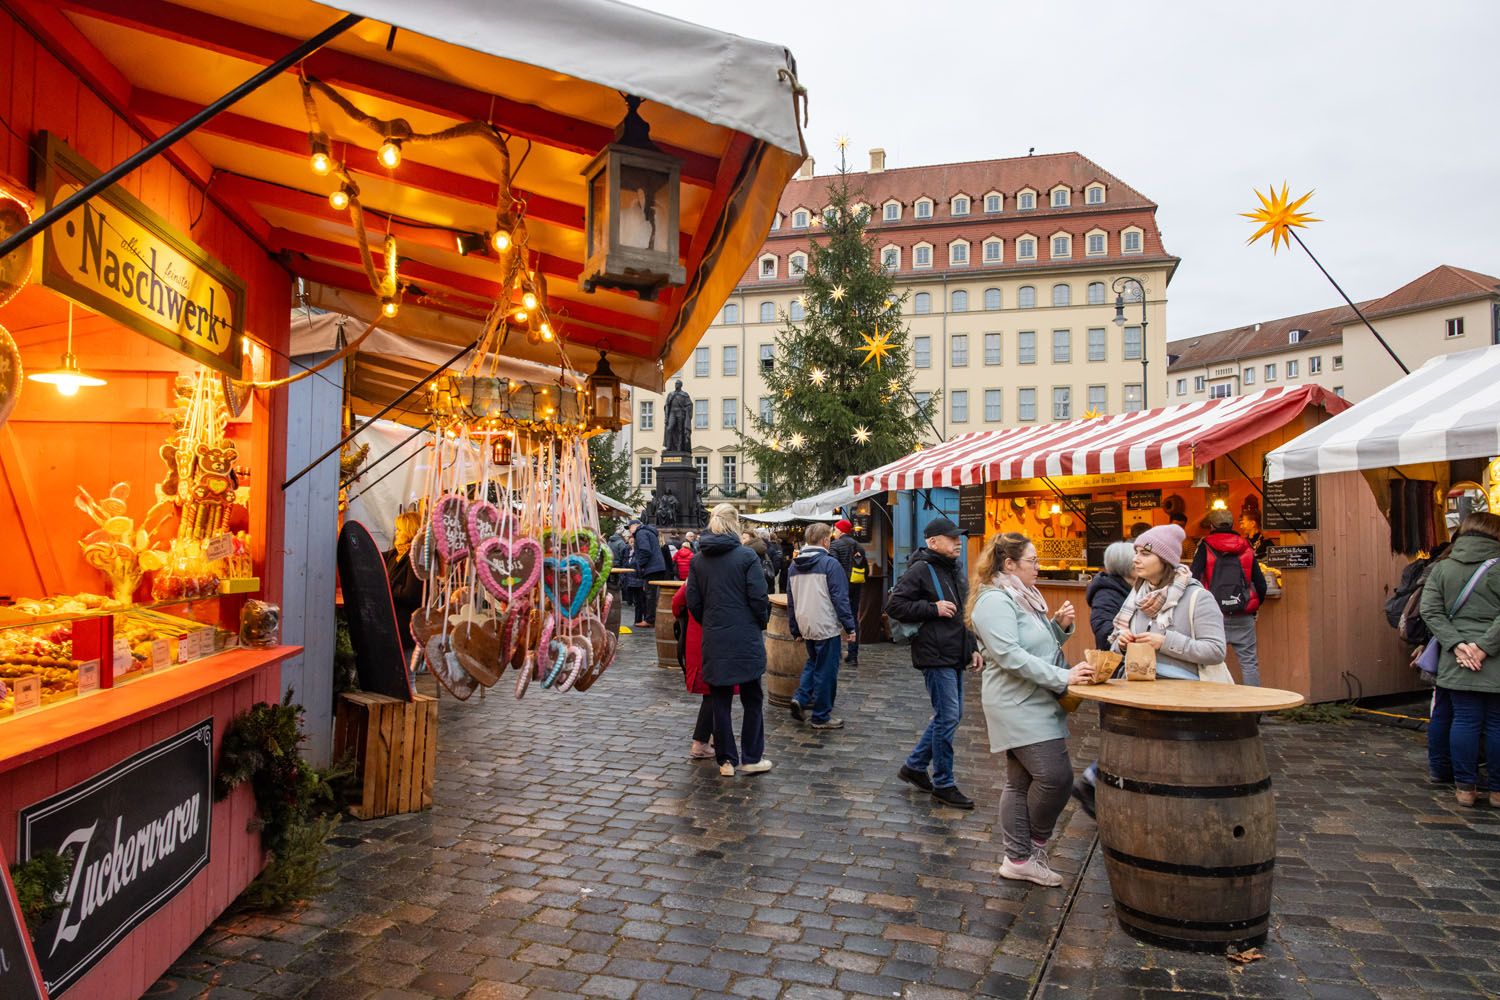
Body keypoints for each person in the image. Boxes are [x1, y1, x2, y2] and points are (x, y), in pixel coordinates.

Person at [967, 532, 1093, 886]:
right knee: (1056, 777)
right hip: (1016, 702)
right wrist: (1063, 676)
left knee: (1021, 781)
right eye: (1033, 561)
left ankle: (1018, 859)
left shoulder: (1022, 597)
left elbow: (1033, 645)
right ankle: (1032, 848)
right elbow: (1009, 655)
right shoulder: (994, 600)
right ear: (1009, 564)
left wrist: (1058, 628)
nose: (1039, 567)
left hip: (1033, 697)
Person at [887, 517, 979, 809]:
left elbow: (964, 614)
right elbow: (894, 605)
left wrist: (973, 647)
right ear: (933, 542)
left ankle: (914, 766)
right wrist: (932, 608)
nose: (958, 542)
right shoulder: (920, 569)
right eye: (951, 538)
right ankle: (943, 783)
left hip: (954, 651)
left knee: (951, 715)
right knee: (948, 716)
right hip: (935, 654)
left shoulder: (953, 570)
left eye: (958, 538)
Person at [1420, 512, 1500, 808]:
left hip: (1457, 658)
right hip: (1494, 657)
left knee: (1464, 720)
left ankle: (1465, 789)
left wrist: (1457, 644)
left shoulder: (1442, 568)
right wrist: (1484, 647)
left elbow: (1430, 611)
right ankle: (1497, 791)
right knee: (1495, 723)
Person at [686, 504, 772, 776]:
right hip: (745, 636)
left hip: (715, 637)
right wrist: (759, 622)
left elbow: (693, 602)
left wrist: (711, 622)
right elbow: (759, 598)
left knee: (720, 699)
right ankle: (752, 757)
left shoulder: (698, 560)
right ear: (735, 524)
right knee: (752, 698)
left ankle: (725, 761)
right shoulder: (746, 557)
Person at [787, 521, 857, 730]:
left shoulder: (794, 565)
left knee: (813, 662)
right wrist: (850, 626)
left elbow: (792, 600)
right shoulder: (830, 564)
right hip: (825, 623)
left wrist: (795, 628)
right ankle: (821, 715)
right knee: (827, 670)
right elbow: (840, 598)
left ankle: (801, 697)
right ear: (825, 540)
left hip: (805, 622)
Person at [1191, 509, 1268, 686]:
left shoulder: (1205, 546)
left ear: (1211, 526)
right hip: (1243, 613)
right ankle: (1254, 710)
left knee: (1211, 665)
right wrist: (1253, 607)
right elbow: (1261, 584)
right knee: (1249, 663)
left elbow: (1193, 579)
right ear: (1232, 525)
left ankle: (1218, 708)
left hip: (1214, 615)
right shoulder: (1245, 545)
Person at [671, 579, 715, 760]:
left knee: (713, 691)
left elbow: (677, 602)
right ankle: (701, 742)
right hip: (713, 638)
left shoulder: (696, 571)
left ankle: (711, 738)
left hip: (698, 637)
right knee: (714, 692)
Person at [382, 510, 425, 661]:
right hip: (392, 625)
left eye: (400, 529)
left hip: (406, 626)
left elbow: (411, 594)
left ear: (409, 531)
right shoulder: (395, 554)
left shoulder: (416, 557)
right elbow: (373, 554)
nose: (396, 533)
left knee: (407, 676)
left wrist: (387, 585)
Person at [1087, 542, 1136, 650]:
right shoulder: (1105, 595)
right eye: (1136, 558)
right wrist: (1126, 638)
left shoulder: (1136, 588)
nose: (1141, 562)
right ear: (1127, 565)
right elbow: (1104, 634)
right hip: (1117, 661)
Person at [830, 519, 865, 666]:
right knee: (853, 619)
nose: (834, 532)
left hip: (840, 587)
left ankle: (836, 653)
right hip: (855, 586)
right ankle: (853, 655)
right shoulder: (859, 546)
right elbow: (865, 569)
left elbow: (832, 567)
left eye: (836, 530)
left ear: (841, 531)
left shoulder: (835, 545)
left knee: (835, 618)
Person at [628, 519, 667, 628]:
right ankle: (654, 618)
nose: (629, 531)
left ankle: (650, 620)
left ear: (636, 526)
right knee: (654, 594)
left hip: (652, 567)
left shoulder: (641, 533)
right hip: (657, 566)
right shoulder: (648, 532)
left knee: (650, 595)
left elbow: (645, 550)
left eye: (630, 527)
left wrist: (641, 565)